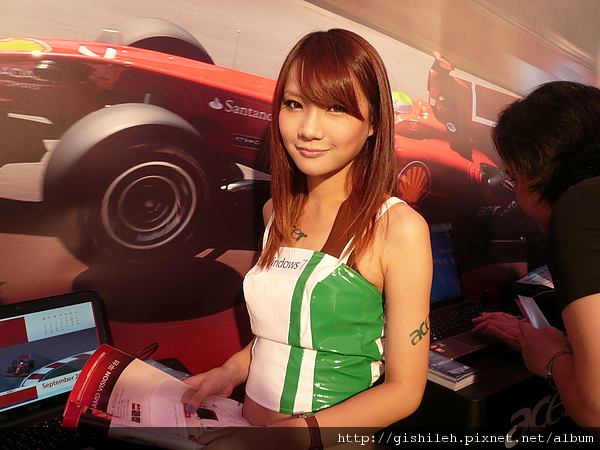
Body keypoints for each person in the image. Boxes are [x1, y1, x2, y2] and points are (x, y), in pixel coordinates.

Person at [183, 29, 433, 449]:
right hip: (248, 431)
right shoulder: (275, 212)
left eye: (336, 107)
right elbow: (282, 337)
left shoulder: (398, 228)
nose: (309, 129)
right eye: (294, 104)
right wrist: (229, 372)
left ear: (374, 122)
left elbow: (404, 391)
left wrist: (288, 438)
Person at [472, 81, 600, 432]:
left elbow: (596, 408)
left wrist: (552, 358)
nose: (515, 191)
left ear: (539, 168)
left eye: (513, 177)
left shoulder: (579, 208)